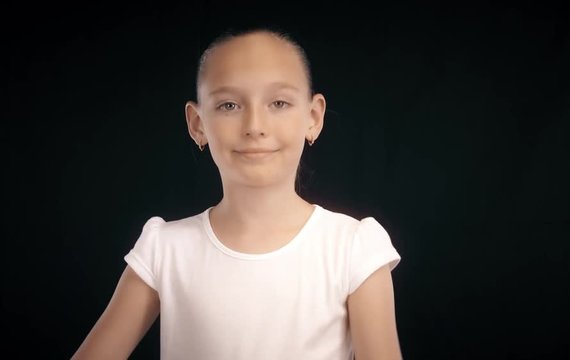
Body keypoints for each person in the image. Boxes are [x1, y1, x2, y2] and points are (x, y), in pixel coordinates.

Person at [71, 27, 402, 360]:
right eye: (229, 105)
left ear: (313, 117)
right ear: (198, 124)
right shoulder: (165, 250)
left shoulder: (353, 249)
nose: (255, 125)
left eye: (279, 102)